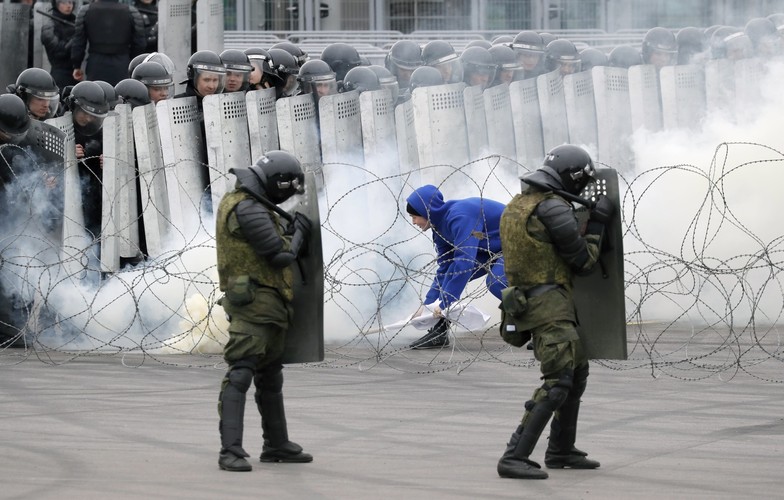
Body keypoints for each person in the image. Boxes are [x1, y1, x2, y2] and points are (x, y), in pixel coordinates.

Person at [496, 144, 613, 480]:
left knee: (576, 374)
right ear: (572, 177)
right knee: (559, 381)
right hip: (549, 307)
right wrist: (598, 225)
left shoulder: (519, 204)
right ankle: (513, 456)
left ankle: (561, 449)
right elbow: (584, 262)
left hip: (532, 302)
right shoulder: (552, 208)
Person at [215, 150, 313, 472]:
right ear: (277, 182)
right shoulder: (247, 206)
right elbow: (278, 255)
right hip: (254, 304)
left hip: (269, 303)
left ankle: (276, 444)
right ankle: (230, 450)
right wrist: (299, 233)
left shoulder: (251, 203)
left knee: (270, 376)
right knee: (241, 372)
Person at [405, 185, 507, 349]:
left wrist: (443, 306)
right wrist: (428, 307)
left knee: (496, 282)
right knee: (450, 272)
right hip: (491, 247)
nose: (414, 222)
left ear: (427, 211)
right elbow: (444, 268)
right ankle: (439, 333)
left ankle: (546, 326)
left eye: (415, 216)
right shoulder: (439, 230)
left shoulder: (459, 216)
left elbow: (464, 262)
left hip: (516, 243)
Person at [71, 0, 147, 86]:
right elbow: (140, 44)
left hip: (96, 64)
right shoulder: (131, 12)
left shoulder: (86, 11)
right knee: (122, 95)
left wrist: (76, 65)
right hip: (122, 64)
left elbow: (78, 42)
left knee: (96, 95)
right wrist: (132, 64)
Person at [41, 0, 77, 90]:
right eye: (64, 2)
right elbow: (58, 52)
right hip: (60, 75)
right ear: (56, 4)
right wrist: (76, 38)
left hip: (76, 75)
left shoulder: (75, 23)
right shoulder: (49, 26)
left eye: (70, 2)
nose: (68, 6)